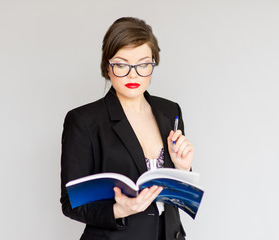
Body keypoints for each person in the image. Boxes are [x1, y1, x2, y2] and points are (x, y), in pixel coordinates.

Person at [60, 17, 194, 240]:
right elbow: (70, 202)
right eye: (122, 64)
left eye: (143, 64)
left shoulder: (170, 111)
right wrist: (119, 210)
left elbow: (179, 197)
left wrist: (183, 169)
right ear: (107, 66)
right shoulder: (84, 121)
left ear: (153, 63)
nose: (133, 74)